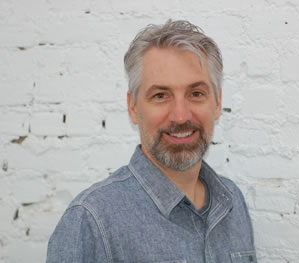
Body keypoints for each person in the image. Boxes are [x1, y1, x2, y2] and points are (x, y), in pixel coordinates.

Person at [46, 19, 256, 263]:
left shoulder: (232, 201)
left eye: (196, 93)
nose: (180, 116)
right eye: (160, 95)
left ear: (217, 104)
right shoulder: (91, 222)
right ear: (133, 107)